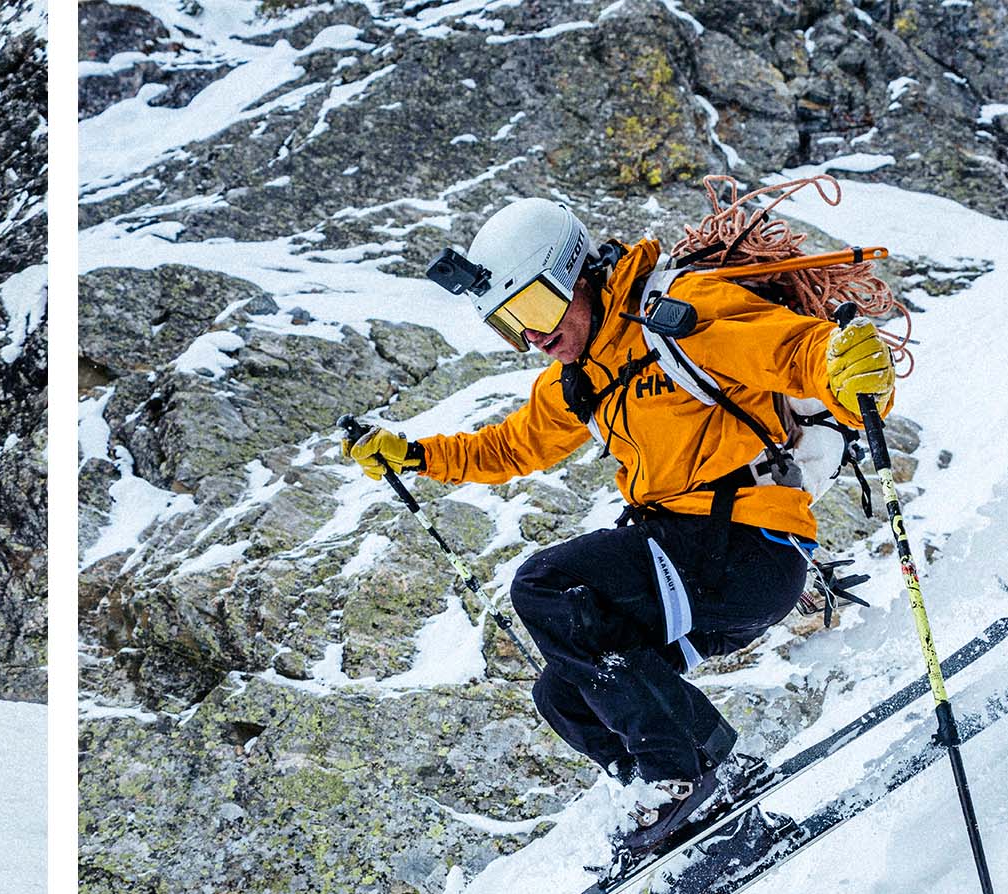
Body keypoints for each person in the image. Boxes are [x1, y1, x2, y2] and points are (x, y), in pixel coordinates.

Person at [342, 197, 895, 858]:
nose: (533, 335)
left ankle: (683, 769)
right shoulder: (582, 378)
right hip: (692, 569)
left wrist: (845, 364)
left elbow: (793, 351)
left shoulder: (678, 314)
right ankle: (694, 824)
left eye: (537, 308)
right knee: (563, 695)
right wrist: (414, 455)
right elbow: (511, 446)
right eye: (510, 323)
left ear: (578, 275)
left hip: (747, 549)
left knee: (545, 584)